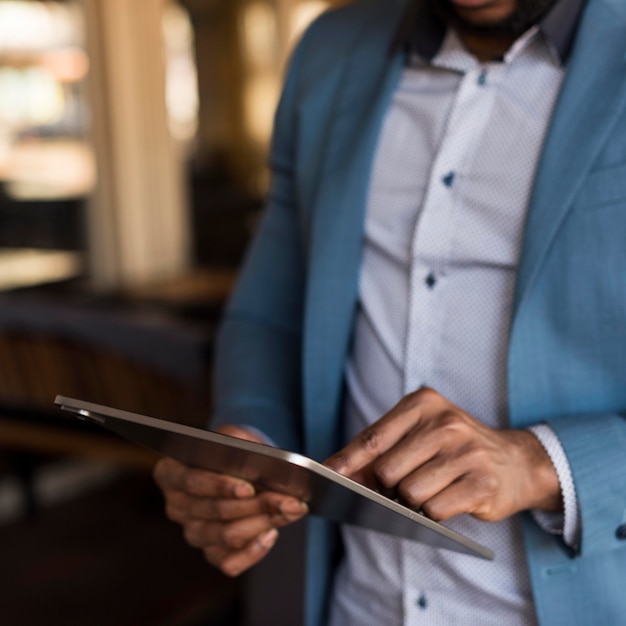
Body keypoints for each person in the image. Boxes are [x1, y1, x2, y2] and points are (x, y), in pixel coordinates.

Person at [154, 0, 626, 623]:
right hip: (350, 603)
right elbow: (269, 313)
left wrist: (544, 465)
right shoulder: (329, 51)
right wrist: (250, 444)